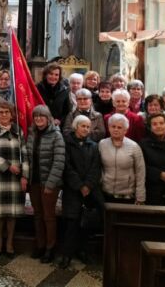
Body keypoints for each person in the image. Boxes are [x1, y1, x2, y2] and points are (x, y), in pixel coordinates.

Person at [22, 105, 65, 264]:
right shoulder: (32, 134)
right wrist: (26, 176)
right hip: (34, 181)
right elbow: (27, 156)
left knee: (49, 216)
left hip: (49, 182)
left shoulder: (56, 135)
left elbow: (59, 161)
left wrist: (51, 183)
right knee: (37, 215)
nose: (39, 119)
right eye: (36, 116)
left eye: (42, 116)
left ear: (48, 118)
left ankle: (50, 247)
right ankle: (40, 245)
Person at [0, 101, 27, 258]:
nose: (3, 115)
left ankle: (9, 242)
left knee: (12, 213)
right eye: (0, 112)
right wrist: (8, 166)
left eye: (6, 112)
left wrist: (24, 176)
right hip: (0, 176)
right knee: (0, 213)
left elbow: (25, 154)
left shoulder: (18, 131)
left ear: (12, 114)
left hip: (16, 178)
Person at [59, 115, 102, 269]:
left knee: (85, 224)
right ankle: (66, 255)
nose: (86, 129)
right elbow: (66, 167)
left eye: (88, 127)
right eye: (82, 126)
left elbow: (96, 167)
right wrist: (79, 185)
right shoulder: (66, 144)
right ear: (75, 127)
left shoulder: (93, 145)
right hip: (72, 190)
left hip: (89, 191)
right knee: (71, 224)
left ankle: (83, 252)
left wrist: (88, 185)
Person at [99, 113, 146, 205]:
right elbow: (97, 167)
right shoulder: (102, 144)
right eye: (113, 126)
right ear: (109, 128)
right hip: (105, 194)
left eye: (119, 127)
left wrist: (140, 196)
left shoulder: (134, 146)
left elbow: (140, 172)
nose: (116, 129)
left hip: (127, 196)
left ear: (125, 130)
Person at [101, 30, 165, 80]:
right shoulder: (124, 41)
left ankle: (132, 83)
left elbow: (146, 38)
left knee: (131, 74)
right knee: (127, 73)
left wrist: (155, 34)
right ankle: (127, 85)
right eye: (128, 34)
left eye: (130, 34)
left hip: (132, 58)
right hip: (126, 58)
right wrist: (107, 35)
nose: (129, 35)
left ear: (132, 35)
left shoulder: (135, 41)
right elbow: (115, 39)